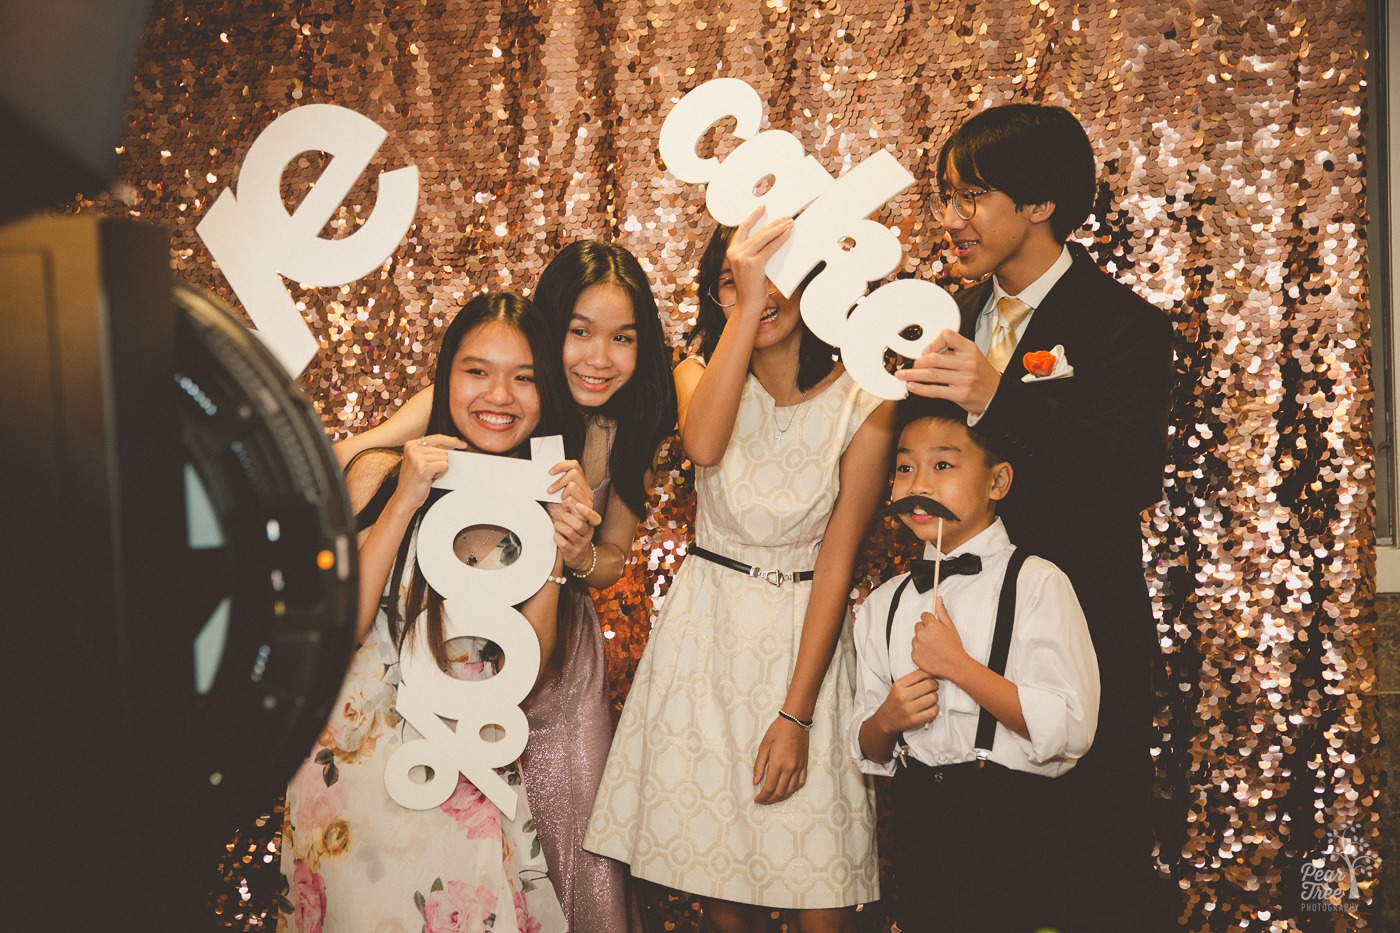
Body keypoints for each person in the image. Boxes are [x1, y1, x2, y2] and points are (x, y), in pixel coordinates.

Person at [332, 240, 675, 933]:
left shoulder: (625, 427)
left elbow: (611, 559)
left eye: (623, 338)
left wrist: (571, 554)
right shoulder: (476, 398)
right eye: (578, 332)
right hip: (418, 666)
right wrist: (395, 484)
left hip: (543, 644)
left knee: (564, 842)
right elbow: (348, 462)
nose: (597, 357)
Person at [897, 103, 1175, 930]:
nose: (953, 219)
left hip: (1080, 640)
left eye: (974, 195)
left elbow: (1128, 473)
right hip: (955, 647)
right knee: (969, 883)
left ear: (1041, 203)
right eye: (947, 196)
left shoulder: (1125, 326)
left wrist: (997, 396)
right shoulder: (938, 319)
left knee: (1094, 874)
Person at [585, 211, 894, 933]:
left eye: (776, 272)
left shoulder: (868, 396)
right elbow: (703, 442)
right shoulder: (699, 371)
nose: (759, 288)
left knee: (823, 897)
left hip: (803, 642)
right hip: (706, 636)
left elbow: (838, 562)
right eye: (733, 278)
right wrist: (746, 304)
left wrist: (796, 712)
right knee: (726, 897)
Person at [279, 292, 585, 933]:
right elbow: (342, 630)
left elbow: (528, 670)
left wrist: (558, 553)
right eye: (477, 371)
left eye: (524, 377)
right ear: (445, 380)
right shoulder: (379, 471)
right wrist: (404, 499)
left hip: (465, 760)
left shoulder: (533, 504)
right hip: (358, 769)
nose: (499, 395)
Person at [850, 396, 1099, 933]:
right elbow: (868, 745)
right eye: (905, 467)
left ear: (998, 482)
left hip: (1013, 823)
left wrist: (959, 667)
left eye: (943, 465)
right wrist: (887, 720)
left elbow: (1070, 730)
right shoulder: (882, 604)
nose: (920, 484)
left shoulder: (1038, 582)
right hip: (919, 825)